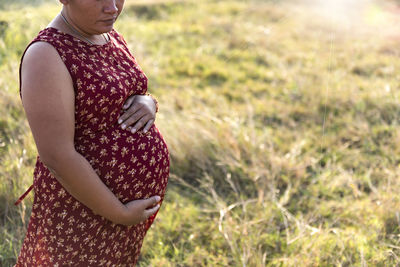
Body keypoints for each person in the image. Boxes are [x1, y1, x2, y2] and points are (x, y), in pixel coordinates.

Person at [13, 0, 170, 265]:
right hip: (81, 213)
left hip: (119, 214)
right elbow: (58, 156)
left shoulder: (106, 34)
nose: (112, 8)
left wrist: (149, 101)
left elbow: (124, 95)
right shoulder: (47, 55)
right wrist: (119, 212)